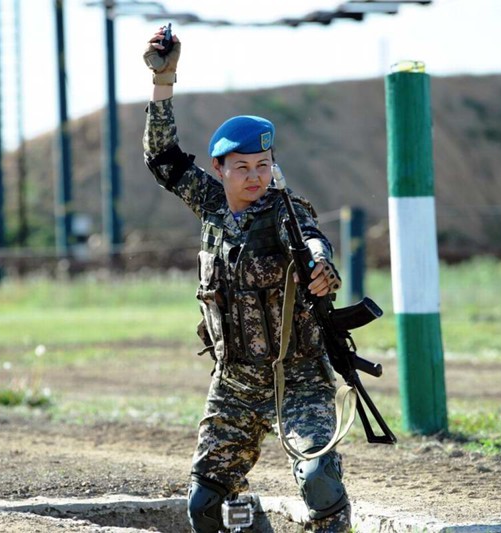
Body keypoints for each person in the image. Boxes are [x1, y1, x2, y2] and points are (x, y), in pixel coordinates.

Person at [142, 27, 352, 533]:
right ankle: (250, 522)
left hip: (296, 378)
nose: (255, 176)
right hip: (234, 383)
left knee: (319, 479)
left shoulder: (283, 211)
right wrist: (164, 80)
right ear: (220, 168)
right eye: (242, 168)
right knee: (207, 505)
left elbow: (311, 237)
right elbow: (162, 157)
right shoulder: (211, 205)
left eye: (263, 165)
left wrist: (320, 268)